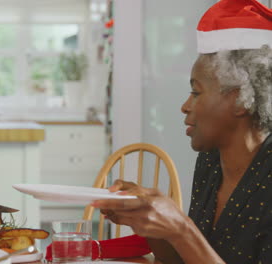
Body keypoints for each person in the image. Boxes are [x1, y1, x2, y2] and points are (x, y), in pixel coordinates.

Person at [92, 0, 272, 263]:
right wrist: (147, 221)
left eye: (196, 92)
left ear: (240, 100)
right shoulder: (211, 162)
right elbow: (183, 260)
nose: (185, 106)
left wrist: (181, 227)